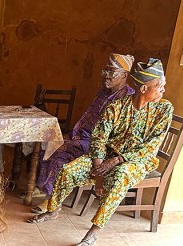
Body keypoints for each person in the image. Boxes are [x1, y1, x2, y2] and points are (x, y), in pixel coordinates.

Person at [29, 58, 173, 246]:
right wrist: (98, 166)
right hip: (104, 156)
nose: (163, 89)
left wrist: (116, 160)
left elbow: (151, 146)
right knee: (69, 169)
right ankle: (53, 210)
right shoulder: (117, 107)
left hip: (137, 160)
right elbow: (99, 136)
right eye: (159, 86)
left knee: (119, 176)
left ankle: (94, 231)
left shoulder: (164, 109)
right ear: (144, 89)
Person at [30, 53, 136, 214]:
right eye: (105, 72)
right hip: (83, 136)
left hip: (100, 145)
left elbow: (113, 132)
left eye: (111, 72)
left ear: (124, 75)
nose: (106, 76)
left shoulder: (127, 97)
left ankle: (52, 199)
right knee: (52, 142)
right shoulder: (103, 92)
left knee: (60, 151)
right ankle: (45, 187)